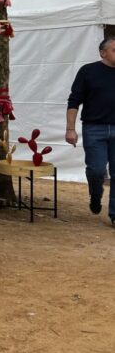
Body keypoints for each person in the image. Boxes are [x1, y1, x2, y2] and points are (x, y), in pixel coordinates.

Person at [66, 37, 115, 225]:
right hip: (94, 129)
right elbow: (74, 101)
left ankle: (114, 214)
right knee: (96, 170)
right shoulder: (88, 72)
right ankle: (96, 194)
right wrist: (70, 129)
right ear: (103, 53)